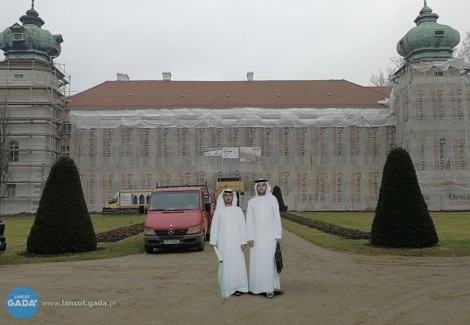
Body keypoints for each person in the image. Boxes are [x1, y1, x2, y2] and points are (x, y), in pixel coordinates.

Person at [246, 179, 282, 298]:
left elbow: (277, 217)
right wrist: (249, 236)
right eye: (259, 186)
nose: (261, 187)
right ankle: (256, 287)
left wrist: (278, 235)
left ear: (266, 187)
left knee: (268, 262)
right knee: (257, 261)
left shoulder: (272, 200)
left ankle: (269, 288)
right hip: (256, 237)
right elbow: (249, 221)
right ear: (256, 187)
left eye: (263, 185)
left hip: (270, 236)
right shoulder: (252, 202)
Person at [210, 189, 248, 298]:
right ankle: (226, 288)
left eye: (230, 196)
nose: (228, 197)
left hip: (236, 244)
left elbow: (242, 227)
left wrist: (243, 241)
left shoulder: (238, 210)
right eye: (226, 195)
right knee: (225, 265)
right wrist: (213, 241)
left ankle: (238, 288)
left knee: (237, 265)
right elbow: (214, 227)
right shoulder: (218, 211)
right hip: (223, 244)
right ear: (223, 197)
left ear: (233, 197)